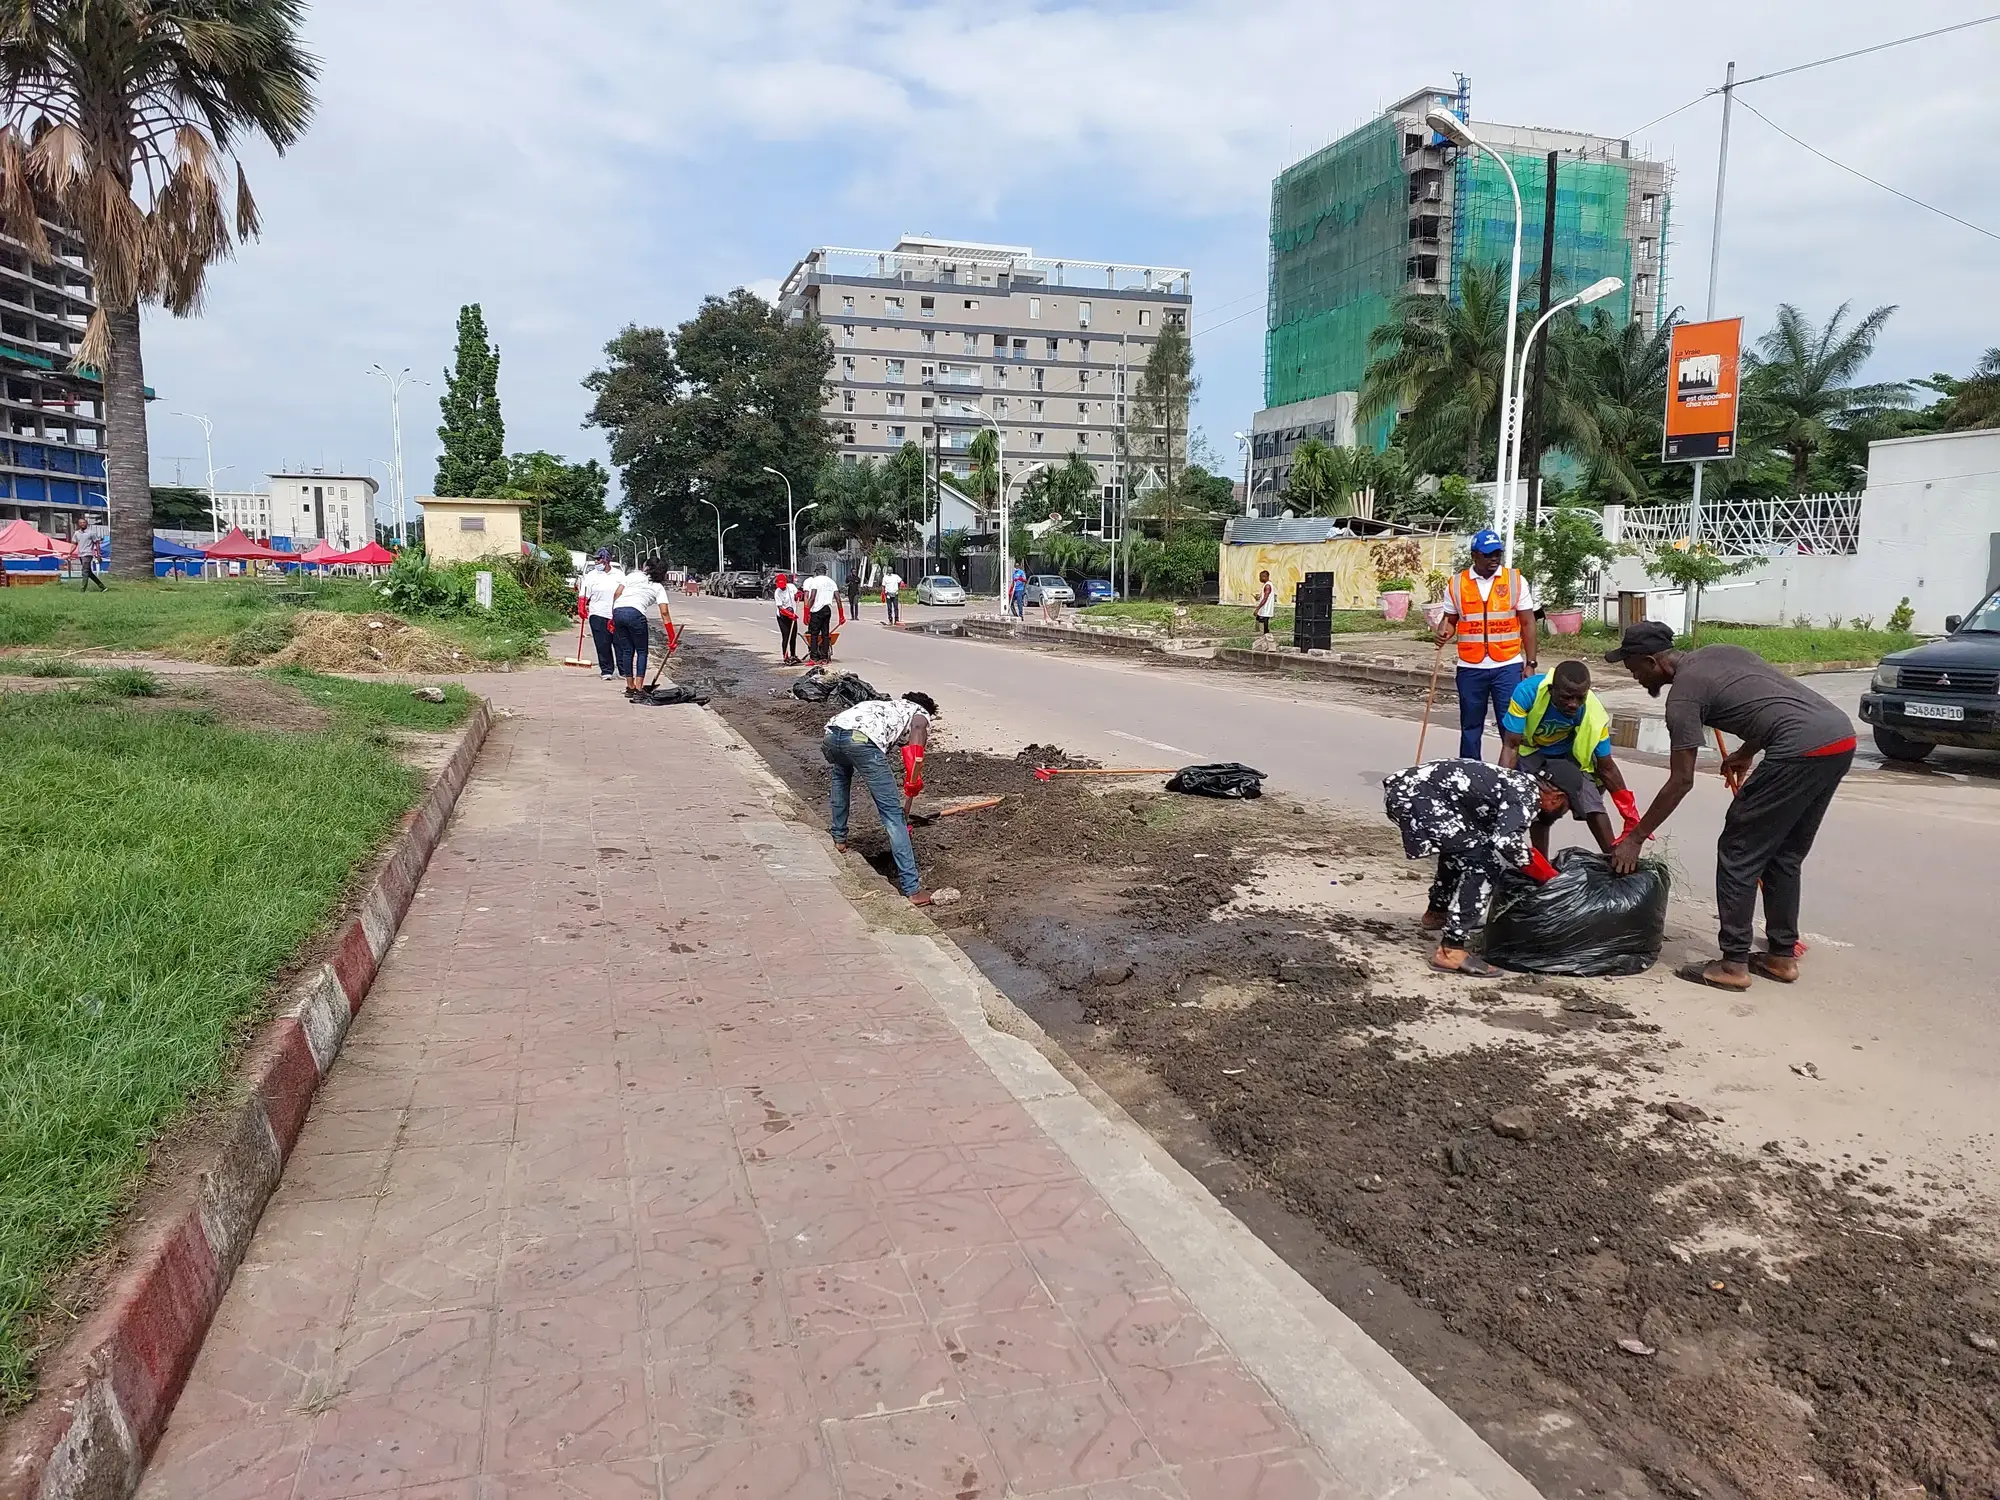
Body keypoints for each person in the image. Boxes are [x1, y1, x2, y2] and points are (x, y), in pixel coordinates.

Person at [1604, 621, 1856, 992]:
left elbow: (1681, 781)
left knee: (1739, 850)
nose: (1636, 677)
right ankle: (1781, 956)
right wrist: (1746, 751)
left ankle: (1733, 964)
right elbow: (1769, 696)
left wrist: (1636, 837)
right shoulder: (1722, 652)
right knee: (1784, 854)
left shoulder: (1683, 697)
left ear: (1651, 661)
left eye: (1633, 669)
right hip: (1838, 737)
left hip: (1797, 749)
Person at [1383, 758, 1562, 976]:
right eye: (1565, 806)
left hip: (1410, 790)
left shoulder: (1519, 783)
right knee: (1486, 864)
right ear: (1556, 797)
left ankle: (1436, 913)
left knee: (1462, 848)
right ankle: (1450, 951)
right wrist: (1544, 875)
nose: (1561, 813)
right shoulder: (1526, 795)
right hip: (1417, 797)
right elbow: (1507, 842)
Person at [1497, 659, 1642, 856]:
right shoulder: (1527, 692)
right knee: (1542, 806)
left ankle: (1615, 860)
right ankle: (1542, 868)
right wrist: (1502, 790)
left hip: (1570, 755)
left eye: (1580, 698)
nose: (1573, 704)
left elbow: (1606, 767)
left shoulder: (1594, 715)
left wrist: (1629, 813)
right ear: (1551, 690)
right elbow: (1511, 746)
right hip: (1532, 752)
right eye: (1566, 697)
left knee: (1591, 803)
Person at [823, 690, 940, 906]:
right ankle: (912, 889)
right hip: (862, 741)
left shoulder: (887, 706)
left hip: (832, 735)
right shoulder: (920, 713)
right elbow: (916, 742)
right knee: (893, 816)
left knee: (841, 777)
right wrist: (913, 779)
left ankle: (839, 839)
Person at [1433, 530, 1538, 760]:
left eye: (1498, 553)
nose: (1494, 559)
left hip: (1508, 665)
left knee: (1510, 727)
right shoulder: (1456, 584)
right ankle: (1470, 777)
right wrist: (1443, 633)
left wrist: (1530, 663)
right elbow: (1450, 621)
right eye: (1488, 554)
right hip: (1470, 667)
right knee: (1470, 728)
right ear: (1474, 555)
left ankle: (1512, 780)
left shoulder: (1515, 580)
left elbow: (1528, 622)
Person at [609, 565, 658, 693]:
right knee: (642, 651)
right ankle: (639, 687)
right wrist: (671, 637)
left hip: (618, 610)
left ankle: (630, 687)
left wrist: (612, 616)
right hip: (636, 613)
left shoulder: (632, 576)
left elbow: (617, 593)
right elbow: (664, 613)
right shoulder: (657, 585)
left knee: (627, 650)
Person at [577, 550, 624, 679]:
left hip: (616, 613)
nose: (596, 562)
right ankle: (606, 670)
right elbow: (584, 593)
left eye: (599, 559)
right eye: (596, 559)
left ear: (607, 560)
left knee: (620, 643)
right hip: (598, 613)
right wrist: (581, 606)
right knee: (602, 644)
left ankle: (623, 670)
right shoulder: (591, 575)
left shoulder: (619, 575)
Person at [800, 568, 840, 663]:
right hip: (827, 609)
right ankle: (824, 658)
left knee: (814, 634)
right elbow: (838, 598)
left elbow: (812, 597)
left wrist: (807, 612)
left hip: (816, 610)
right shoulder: (831, 581)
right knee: (825, 635)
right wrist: (841, 614)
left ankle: (813, 658)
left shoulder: (815, 581)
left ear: (817, 572)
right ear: (825, 572)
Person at [773, 571, 801, 663]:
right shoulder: (777, 592)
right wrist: (790, 615)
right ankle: (785, 656)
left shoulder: (792, 587)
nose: (782, 587)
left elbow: (797, 595)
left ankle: (793, 655)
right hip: (783, 617)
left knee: (793, 636)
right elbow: (780, 608)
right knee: (786, 636)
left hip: (793, 614)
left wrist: (799, 595)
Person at [76, 520, 107, 591]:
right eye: (81, 523)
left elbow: (97, 543)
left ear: (86, 524)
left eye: (84, 523)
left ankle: (82, 590)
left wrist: (98, 555)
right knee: (89, 573)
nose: (82, 524)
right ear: (78, 524)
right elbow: (74, 544)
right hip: (81, 555)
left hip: (88, 554)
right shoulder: (77, 533)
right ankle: (103, 587)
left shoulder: (91, 533)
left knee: (85, 572)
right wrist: (69, 553)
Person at [1254, 570, 1277, 635]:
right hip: (1263, 610)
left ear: (1265, 577)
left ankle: (1265, 640)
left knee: (1264, 628)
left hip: (1265, 610)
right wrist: (1258, 597)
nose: (1260, 579)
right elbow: (1264, 596)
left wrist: (1257, 608)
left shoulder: (1267, 586)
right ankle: (1263, 638)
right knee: (1259, 623)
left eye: (1261, 577)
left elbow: (1265, 598)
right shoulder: (1266, 585)